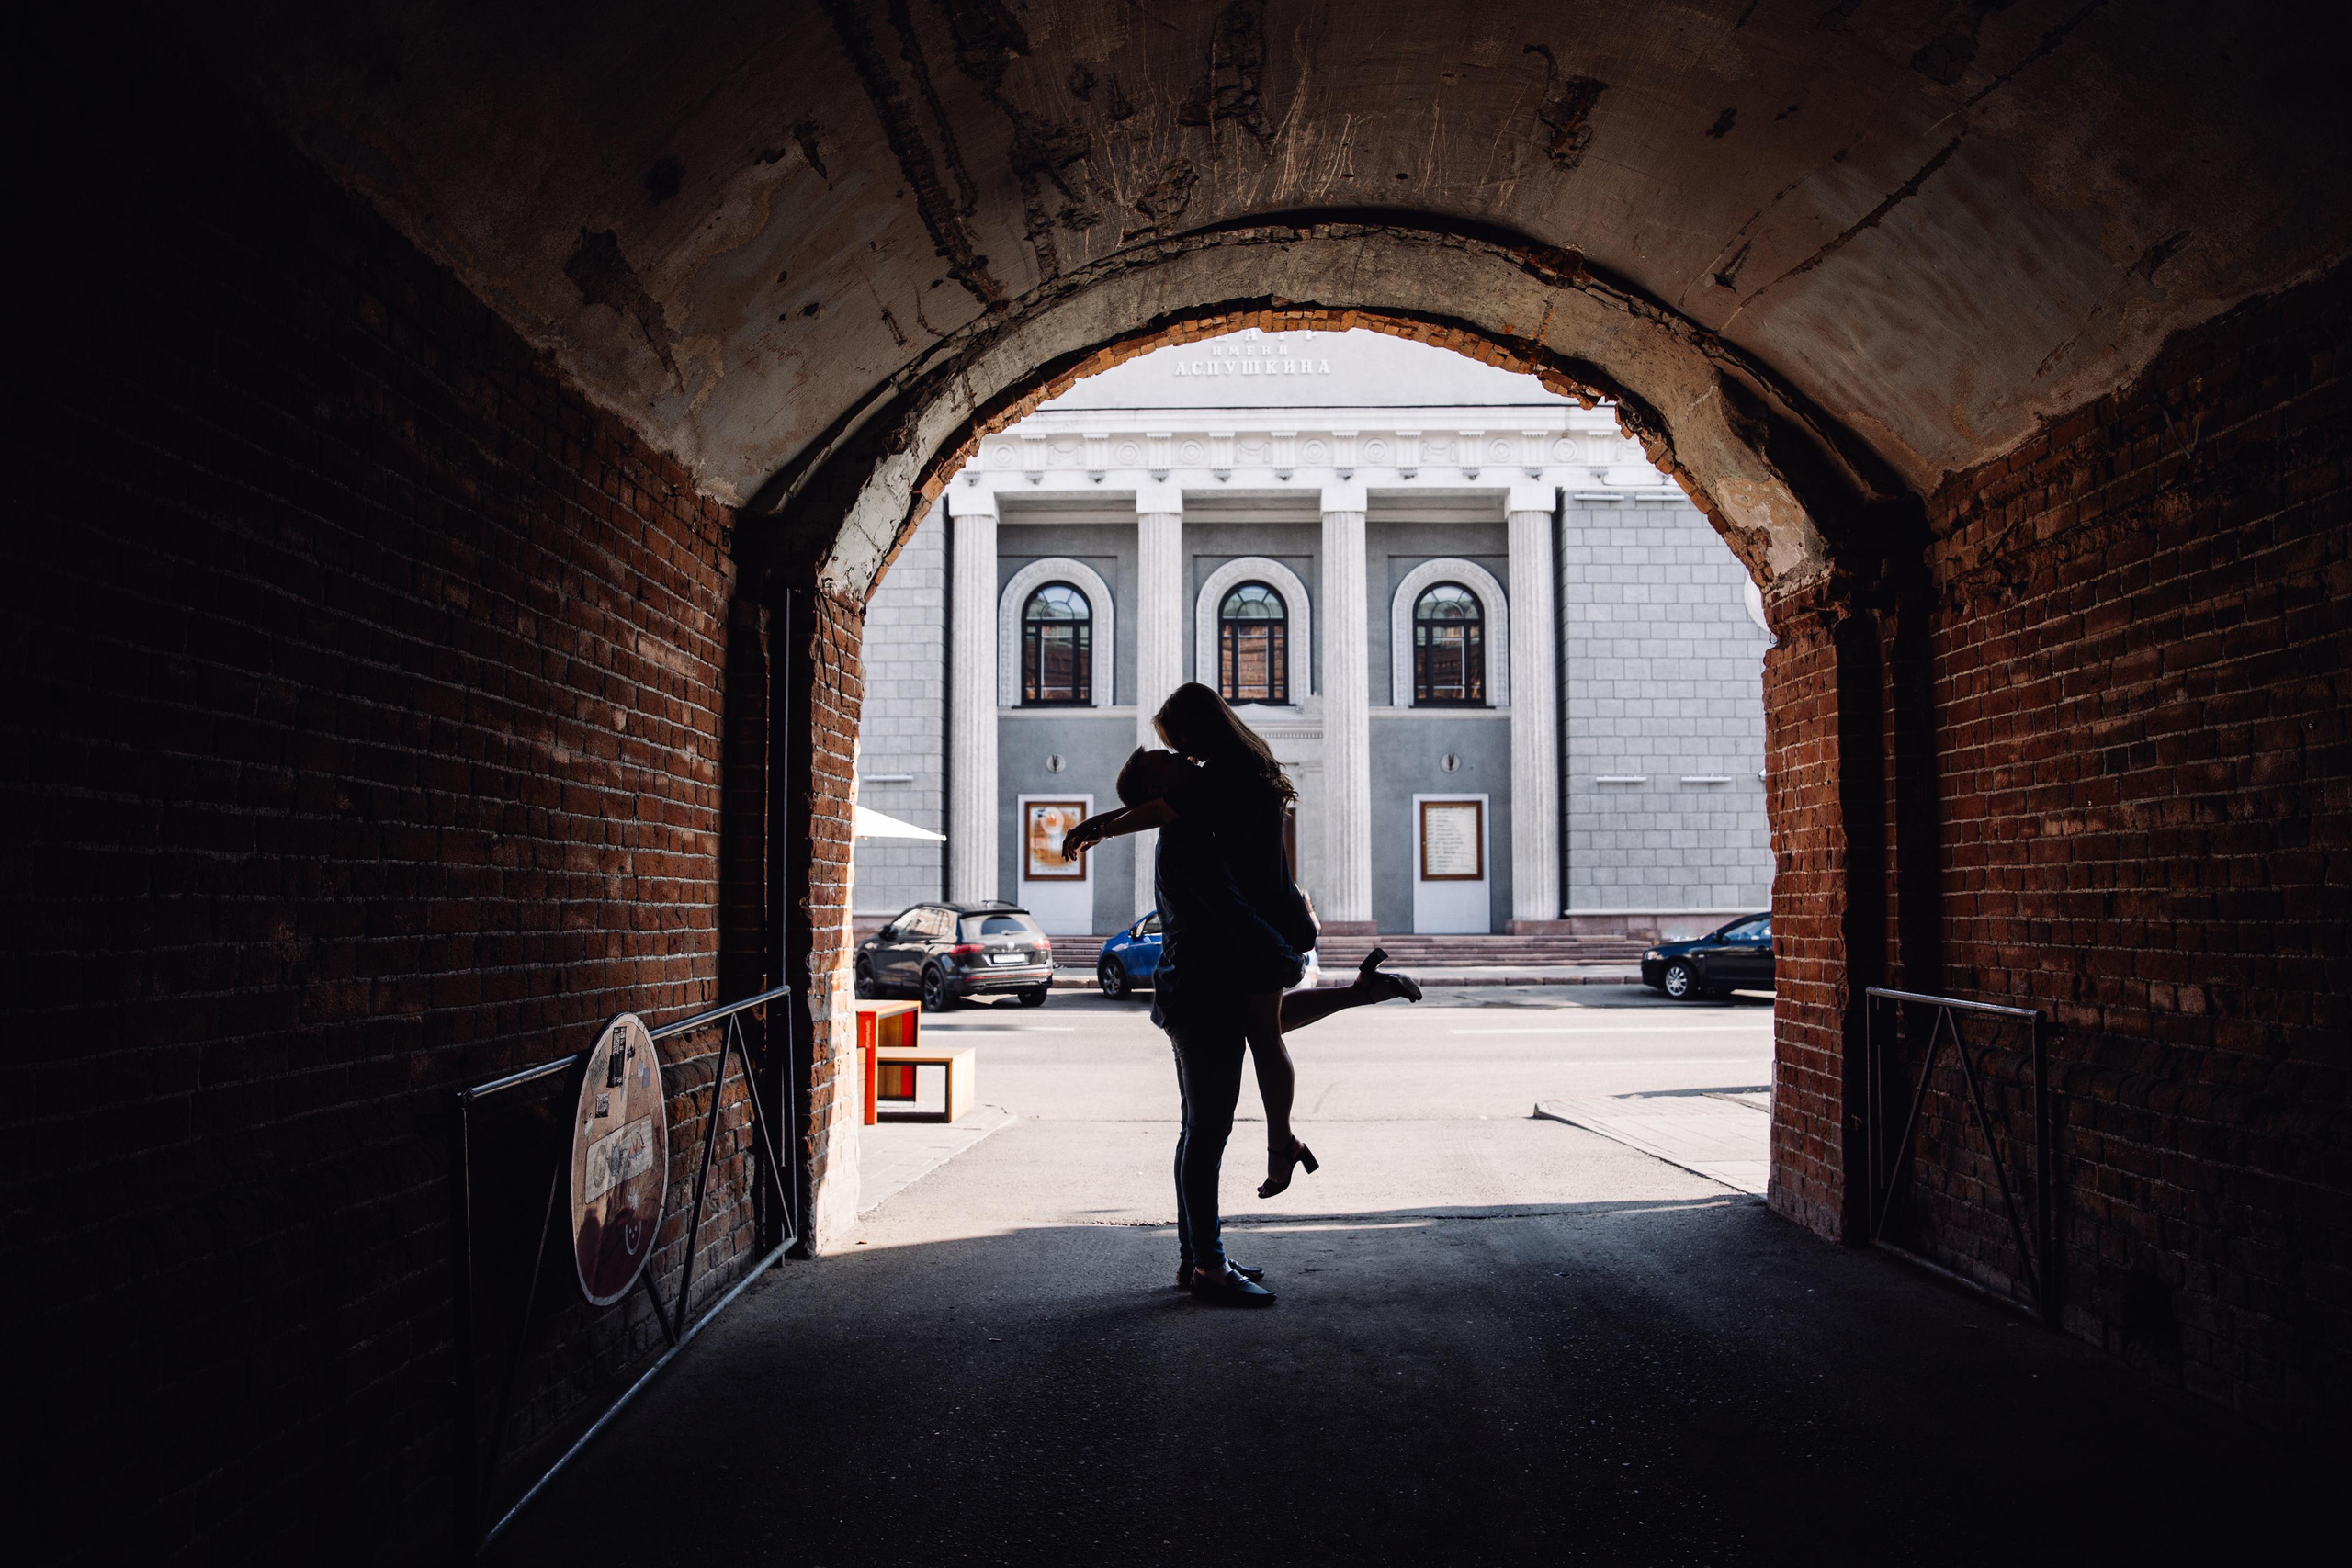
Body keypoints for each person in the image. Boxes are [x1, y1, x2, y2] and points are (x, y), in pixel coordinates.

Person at [1065, 691, 1419, 1303]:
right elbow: (1228, 910)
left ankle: (1202, 1255)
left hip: (1206, 986)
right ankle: (1212, 1257)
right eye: (1164, 758)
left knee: (1200, 1127)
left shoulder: (1211, 800)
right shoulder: (1194, 828)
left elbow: (1267, 1016)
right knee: (1206, 1132)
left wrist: (1351, 991)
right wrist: (1284, 954)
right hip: (1202, 989)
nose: (1177, 757)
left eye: (1174, 746)